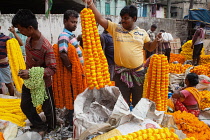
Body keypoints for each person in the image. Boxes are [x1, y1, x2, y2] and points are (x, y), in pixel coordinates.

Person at [82, 0, 162, 107]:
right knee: (122, 104)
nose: (123, 21)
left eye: (126, 18)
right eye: (122, 18)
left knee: (138, 103)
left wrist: (156, 41)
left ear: (134, 19)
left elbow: (150, 47)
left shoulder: (142, 33)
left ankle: (136, 122)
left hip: (138, 74)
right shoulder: (116, 28)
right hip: (120, 74)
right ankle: (123, 121)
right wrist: (90, 3)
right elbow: (100, 19)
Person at [12, 9, 56, 136]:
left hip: (44, 83)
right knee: (25, 105)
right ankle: (39, 125)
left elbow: (53, 69)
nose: (20, 32)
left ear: (30, 28)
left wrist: (31, 73)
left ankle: (52, 130)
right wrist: (25, 72)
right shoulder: (28, 41)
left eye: (21, 29)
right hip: (29, 82)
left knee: (48, 109)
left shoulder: (46, 47)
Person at [58, 10, 84, 128]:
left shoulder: (70, 36)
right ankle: (71, 124)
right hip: (71, 75)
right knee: (73, 98)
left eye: (76, 22)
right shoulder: (64, 36)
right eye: (72, 22)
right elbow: (63, 54)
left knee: (76, 97)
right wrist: (71, 69)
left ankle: (73, 122)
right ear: (65, 21)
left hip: (76, 74)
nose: (75, 24)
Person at [0, 26, 15, 96]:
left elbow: (20, 44)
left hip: (4, 66)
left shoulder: (6, 38)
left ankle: (12, 99)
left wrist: (14, 32)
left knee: (9, 84)